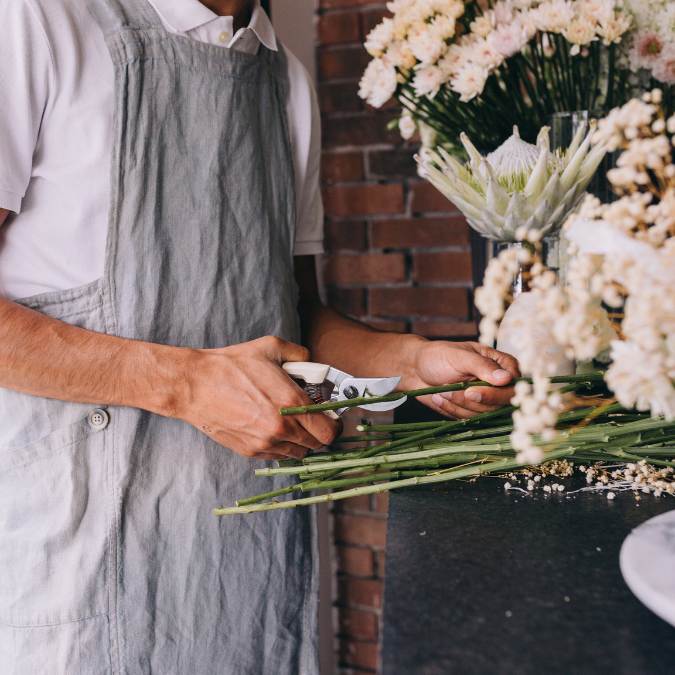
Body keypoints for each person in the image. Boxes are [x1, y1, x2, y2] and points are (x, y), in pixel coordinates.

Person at [0, 0, 519, 671]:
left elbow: (293, 316)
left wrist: (413, 361)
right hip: (72, 572)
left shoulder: (283, 80)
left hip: (243, 572)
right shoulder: (37, 20)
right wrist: (185, 384)